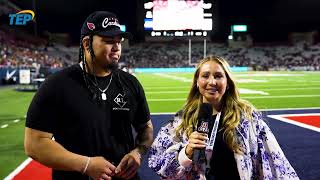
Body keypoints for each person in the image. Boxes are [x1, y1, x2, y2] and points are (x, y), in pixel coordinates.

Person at [24, 11, 153, 180]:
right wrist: (85, 165)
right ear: (86, 43)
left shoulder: (131, 83)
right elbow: (34, 144)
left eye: (119, 41)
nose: (117, 47)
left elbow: (146, 128)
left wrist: (138, 152)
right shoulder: (57, 85)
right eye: (108, 41)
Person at [148, 56, 299, 180]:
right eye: (205, 76)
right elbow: (159, 167)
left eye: (218, 76)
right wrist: (185, 152)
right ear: (197, 82)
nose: (212, 82)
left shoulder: (248, 120)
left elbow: (277, 163)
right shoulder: (181, 121)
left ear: (227, 83)